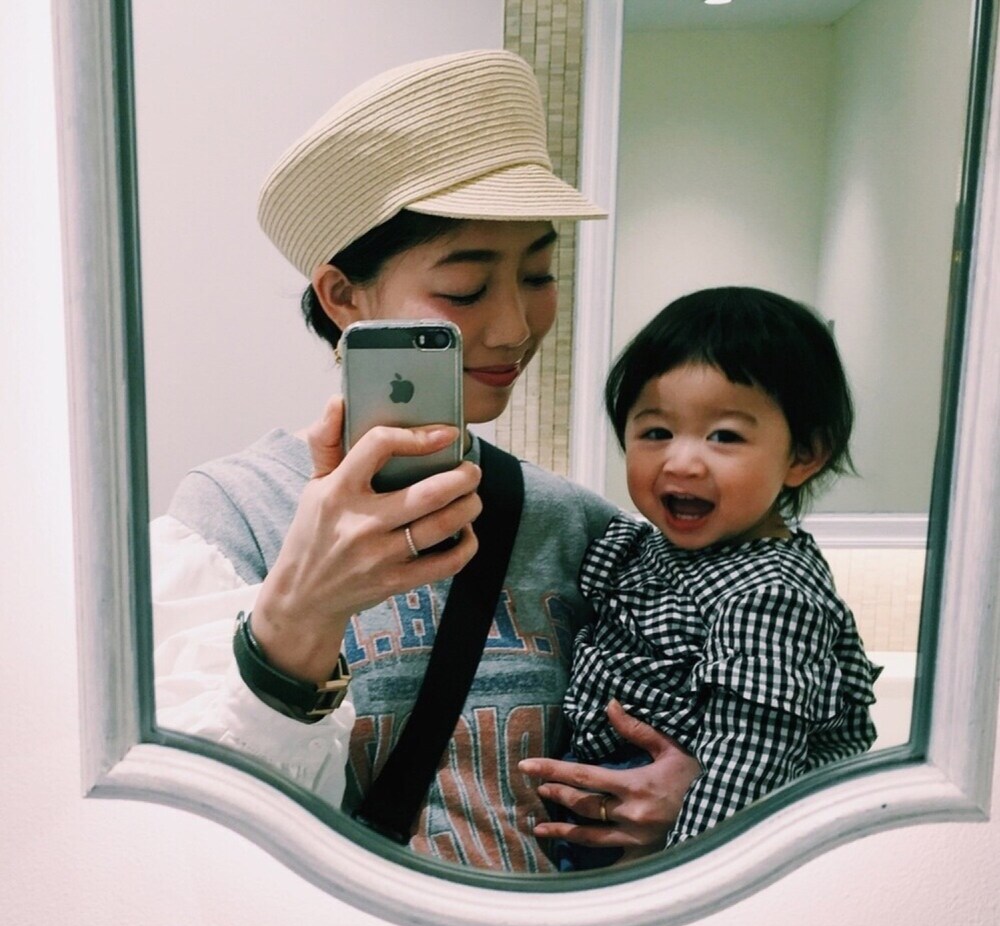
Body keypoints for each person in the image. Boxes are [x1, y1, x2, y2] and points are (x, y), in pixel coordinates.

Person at [152, 49, 700, 875]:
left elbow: (719, 718)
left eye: (539, 273)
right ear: (343, 297)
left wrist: (688, 797)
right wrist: (300, 615)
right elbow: (182, 835)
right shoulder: (234, 517)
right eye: (466, 290)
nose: (516, 327)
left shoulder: (579, 526)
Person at [534, 287, 881, 872]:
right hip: (610, 809)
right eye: (655, 432)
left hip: (684, 842)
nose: (681, 462)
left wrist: (683, 877)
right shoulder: (646, 548)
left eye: (724, 436)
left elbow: (749, 760)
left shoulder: (769, 593)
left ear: (803, 455)